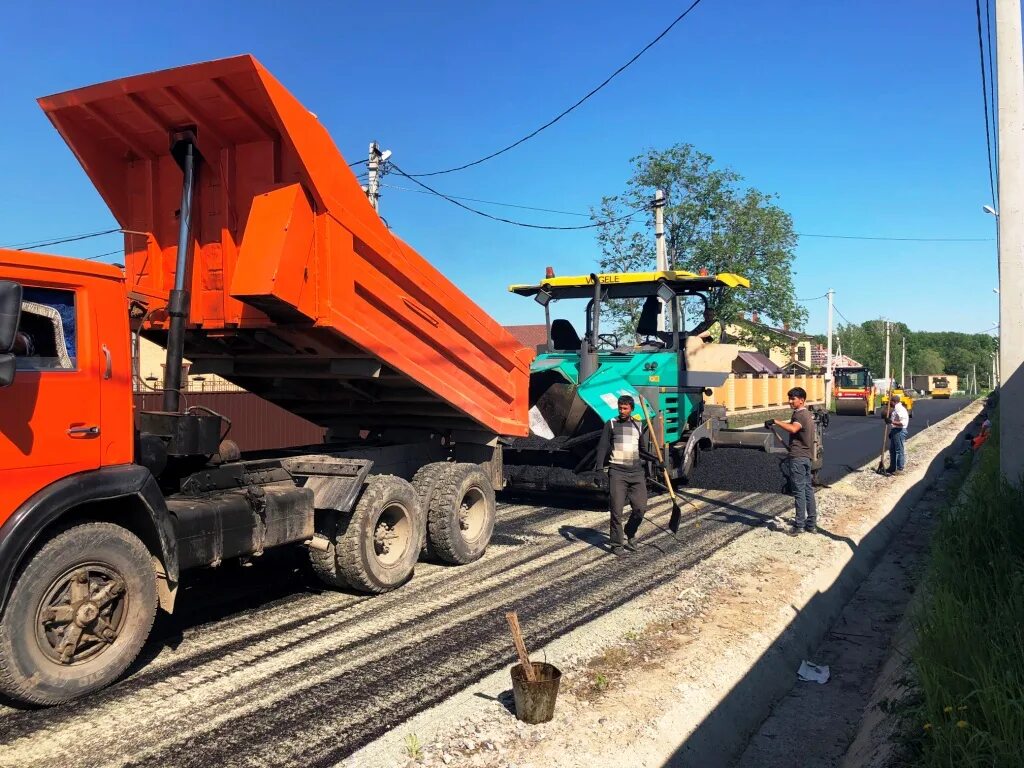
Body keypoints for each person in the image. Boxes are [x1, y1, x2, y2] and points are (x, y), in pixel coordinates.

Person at [594, 394, 660, 555]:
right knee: (616, 510)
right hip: (617, 473)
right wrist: (599, 470)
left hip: (636, 473)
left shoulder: (638, 425)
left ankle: (630, 533)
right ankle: (617, 544)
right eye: (620, 407)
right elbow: (602, 448)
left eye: (625, 408)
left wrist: (657, 460)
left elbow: (642, 451)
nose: (622, 411)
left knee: (640, 508)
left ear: (631, 409)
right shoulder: (611, 424)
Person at [765, 387, 818, 535]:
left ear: (801, 400)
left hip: (798, 458)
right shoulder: (807, 414)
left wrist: (775, 421)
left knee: (799, 491)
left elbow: (793, 429)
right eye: (789, 398)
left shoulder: (800, 415)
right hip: (806, 457)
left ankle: (800, 525)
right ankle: (811, 525)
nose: (790, 401)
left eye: (793, 399)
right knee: (808, 490)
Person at [886, 394, 910, 474]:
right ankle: (892, 467)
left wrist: (891, 422)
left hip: (899, 431)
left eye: (890, 402)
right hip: (895, 430)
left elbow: (903, 423)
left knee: (899, 450)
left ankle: (900, 468)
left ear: (893, 402)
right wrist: (891, 432)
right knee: (892, 450)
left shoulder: (900, 409)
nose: (889, 403)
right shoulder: (896, 409)